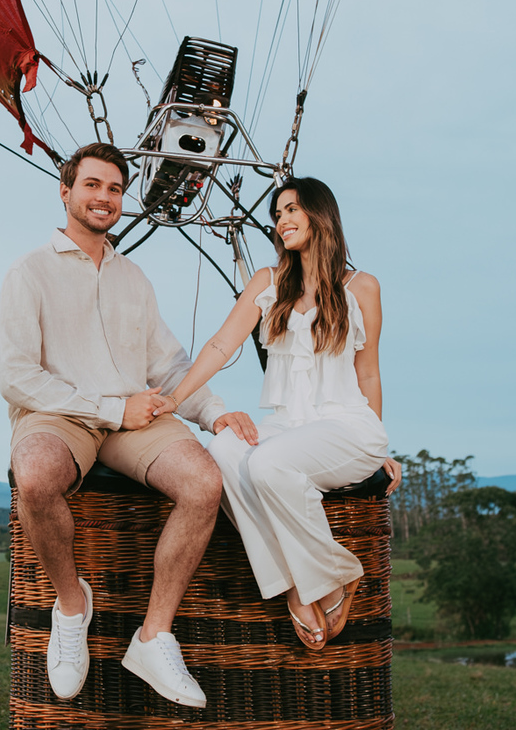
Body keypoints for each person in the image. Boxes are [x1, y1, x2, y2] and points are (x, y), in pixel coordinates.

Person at [0, 142, 253, 709]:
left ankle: (153, 636)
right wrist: (111, 410)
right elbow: (16, 376)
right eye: (92, 185)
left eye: (114, 188)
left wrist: (215, 411)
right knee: (34, 476)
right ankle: (71, 606)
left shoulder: (133, 277)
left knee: (204, 482)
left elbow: (169, 364)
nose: (104, 198)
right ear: (65, 191)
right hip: (61, 415)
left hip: (136, 418)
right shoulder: (29, 271)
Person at [162, 177, 402, 651]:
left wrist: (380, 448)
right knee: (224, 451)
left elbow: (368, 373)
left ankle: (332, 577)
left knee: (268, 463)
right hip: (286, 423)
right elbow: (219, 344)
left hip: (347, 426)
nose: (281, 220)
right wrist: (174, 399)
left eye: (291, 209)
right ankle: (300, 582)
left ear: (321, 214)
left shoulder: (363, 287)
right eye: (277, 214)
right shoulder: (268, 283)